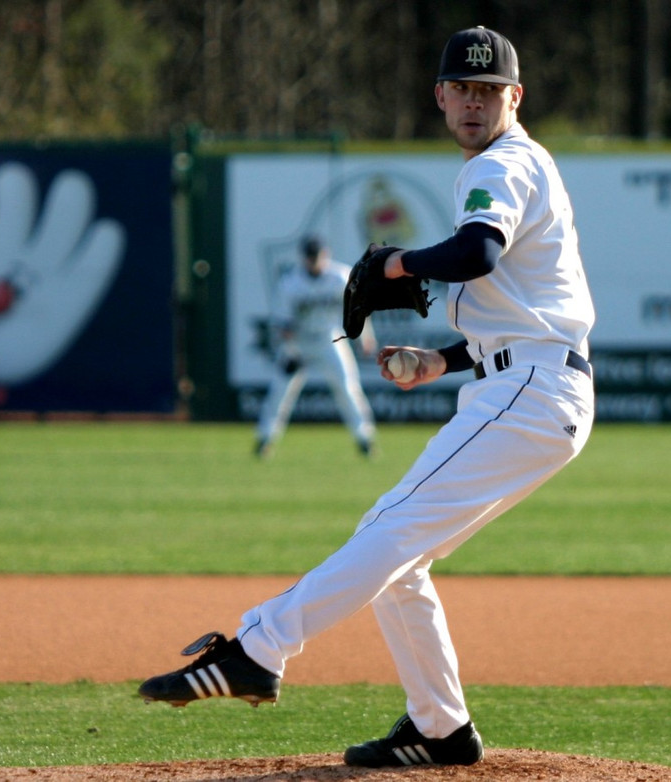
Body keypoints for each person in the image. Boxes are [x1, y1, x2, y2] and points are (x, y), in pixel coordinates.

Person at [139, 26, 595, 768]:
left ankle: (260, 647)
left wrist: (394, 263)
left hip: (532, 389)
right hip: (524, 381)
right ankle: (441, 728)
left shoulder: (504, 164)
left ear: (515, 97)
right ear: (441, 96)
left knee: (389, 526)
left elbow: (477, 253)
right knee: (398, 549)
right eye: (463, 89)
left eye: (490, 91)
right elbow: (522, 307)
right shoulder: (517, 164)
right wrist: (439, 358)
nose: (475, 102)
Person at [253, 235, 377, 458]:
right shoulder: (291, 282)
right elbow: (284, 325)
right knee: (280, 392)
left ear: (326, 255)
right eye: (310, 257)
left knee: (348, 387)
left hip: (329, 340)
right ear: (303, 258)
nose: (314, 261)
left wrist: (365, 338)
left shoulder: (340, 277)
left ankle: (365, 439)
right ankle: (265, 438)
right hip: (299, 343)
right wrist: (291, 351)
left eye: (317, 256)